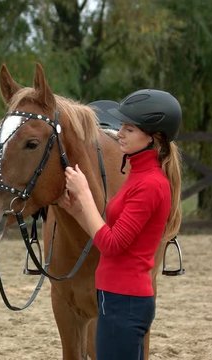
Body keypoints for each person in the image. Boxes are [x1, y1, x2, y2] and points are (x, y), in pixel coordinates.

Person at [57, 89, 183, 359]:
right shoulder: (137, 175)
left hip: (125, 301)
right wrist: (78, 211)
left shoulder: (149, 184)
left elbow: (112, 245)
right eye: (122, 126)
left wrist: (85, 196)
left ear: (155, 138)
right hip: (116, 297)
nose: (119, 133)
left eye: (129, 128)